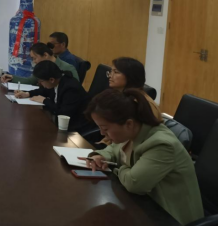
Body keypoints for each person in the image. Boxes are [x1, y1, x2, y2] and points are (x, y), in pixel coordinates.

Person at [84, 89, 204, 225]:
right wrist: (99, 155)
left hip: (170, 217)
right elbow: (114, 149)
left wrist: (117, 168)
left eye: (105, 129)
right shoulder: (134, 130)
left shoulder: (161, 144)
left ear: (129, 123)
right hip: (143, 206)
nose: (102, 133)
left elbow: (134, 184)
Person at [14, 60, 89, 131]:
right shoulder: (58, 80)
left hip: (74, 127)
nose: (40, 84)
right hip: (59, 122)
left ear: (51, 80)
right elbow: (44, 90)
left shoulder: (71, 89)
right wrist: (27, 93)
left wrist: (45, 100)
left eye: (41, 81)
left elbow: (63, 113)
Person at [107, 57, 162, 121]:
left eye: (116, 72)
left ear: (130, 76)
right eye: (111, 72)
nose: (110, 76)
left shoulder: (144, 104)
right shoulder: (119, 96)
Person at [1, 42, 79, 85]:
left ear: (45, 55)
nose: (34, 61)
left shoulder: (67, 68)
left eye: (35, 58)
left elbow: (75, 90)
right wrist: (12, 78)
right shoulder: (42, 67)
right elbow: (31, 81)